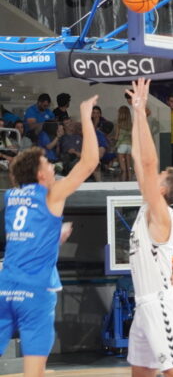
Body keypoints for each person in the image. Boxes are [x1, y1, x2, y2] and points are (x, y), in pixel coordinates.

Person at [0, 95, 99, 376]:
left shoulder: (12, 196)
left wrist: (53, 235)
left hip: (5, 288)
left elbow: (26, 233)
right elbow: (89, 162)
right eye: (48, 164)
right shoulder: (51, 194)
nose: (53, 166)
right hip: (35, 290)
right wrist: (85, 114)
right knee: (35, 371)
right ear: (40, 175)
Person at [124, 78, 173, 376]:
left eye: (162, 175)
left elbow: (148, 164)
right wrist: (138, 114)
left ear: (164, 190)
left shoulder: (162, 214)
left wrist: (140, 111)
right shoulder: (148, 206)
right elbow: (141, 159)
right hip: (144, 306)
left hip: (160, 304)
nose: (155, 174)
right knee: (140, 373)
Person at [113, 106, 132, 181]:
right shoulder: (131, 124)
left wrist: (113, 140)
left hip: (122, 145)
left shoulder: (119, 124)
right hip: (129, 145)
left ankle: (123, 182)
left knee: (123, 169)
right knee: (128, 168)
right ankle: (130, 182)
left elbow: (117, 137)